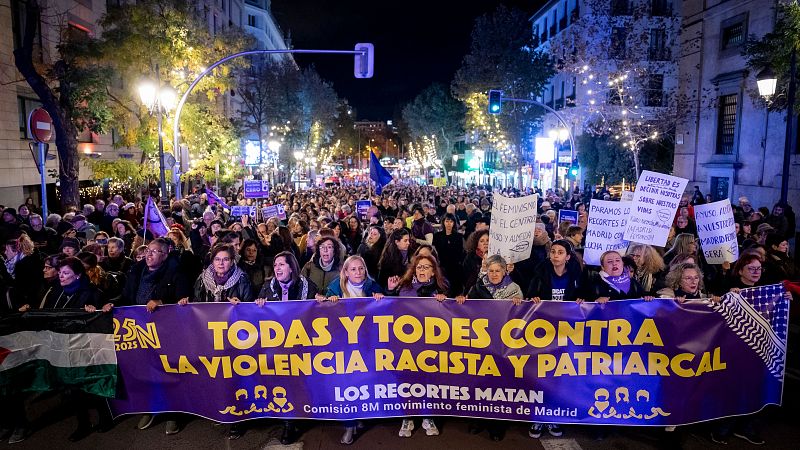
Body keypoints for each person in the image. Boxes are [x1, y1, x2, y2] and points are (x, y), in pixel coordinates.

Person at [322, 255, 384, 445]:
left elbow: (386, 311)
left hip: (367, 345)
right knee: (346, 385)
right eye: (353, 269)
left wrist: (382, 297)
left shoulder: (373, 287)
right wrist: (328, 301)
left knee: (363, 383)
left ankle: (360, 416)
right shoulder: (335, 288)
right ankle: (349, 424)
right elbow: (321, 310)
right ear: (346, 272)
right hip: (343, 346)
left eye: (361, 268)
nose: (358, 272)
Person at [384, 254, 447, 438]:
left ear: (433, 272)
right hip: (406, 345)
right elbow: (388, 307)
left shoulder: (441, 289)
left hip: (431, 345)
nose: (422, 270)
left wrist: (445, 302)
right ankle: (408, 417)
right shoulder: (403, 287)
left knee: (430, 381)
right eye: (419, 267)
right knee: (406, 380)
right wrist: (389, 291)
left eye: (426, 267)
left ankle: (428, 416)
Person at [464, 254, 522, 441]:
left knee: (500, 386)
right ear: (486, 271)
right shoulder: (477, 287)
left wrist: (519, 305)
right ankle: (478, 420)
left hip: (504, 346)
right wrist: (461, 300)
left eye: (498, 270)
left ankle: (497, 425)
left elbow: (523, 316)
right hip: (481, 343)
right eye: (491, 270)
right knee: (479, 383)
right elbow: (466, 309)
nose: (494, 274)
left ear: (505, 271)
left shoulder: (514, 289)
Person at [584, 251, 650, 302]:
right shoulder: (594, 284)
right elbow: (584, 308)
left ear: (622, 264)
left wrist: (648, 298)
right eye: (610, 261)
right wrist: (595, 302)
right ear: (603, 267)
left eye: (617, 260)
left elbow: (644, 298)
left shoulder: (633, 283)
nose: (614, 263)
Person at [2, 234, 43, 310]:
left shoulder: (21, 265)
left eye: (7, 250)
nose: (5, 252)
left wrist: (3, 272)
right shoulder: (29, 259)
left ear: (16, 252)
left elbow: (19, 288)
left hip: (28, 305)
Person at [432, 213, 465, 295]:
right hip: (441, 266)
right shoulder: (437, 236)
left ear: (454, 223)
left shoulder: (459, 236)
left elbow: (461, 253)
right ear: (443, 222)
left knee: (455, 290)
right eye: (447, 221)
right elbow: (434, 252)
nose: (449, 223)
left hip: (455, 268)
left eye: (451, 221)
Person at [462, 229, 489, 293]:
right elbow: (466, 279)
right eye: (482, 241)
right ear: (476, 243)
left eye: (488, 240)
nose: (485, 243)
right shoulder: (470, 257)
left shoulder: (496, 256)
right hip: (474, 291)